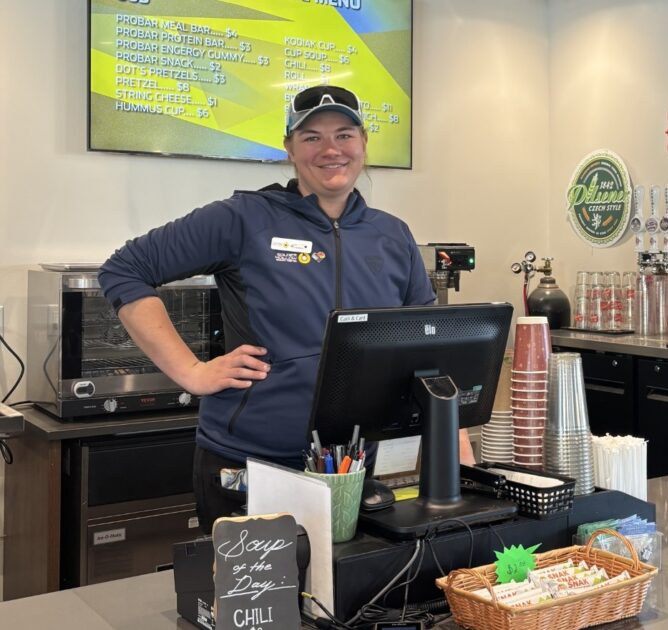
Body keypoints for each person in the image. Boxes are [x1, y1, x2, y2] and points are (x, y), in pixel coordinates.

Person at [99, 85, 471, 533]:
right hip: (254, 465)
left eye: (344, 134)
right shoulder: (243, 218)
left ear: (363, 143)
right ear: (289, 149)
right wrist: (191, 372)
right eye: (312, 137)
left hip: (357, 469)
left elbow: (430, 351)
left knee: (355, 579)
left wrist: (461, 457)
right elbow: (125, 270)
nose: (331, 149)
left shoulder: (392, 235)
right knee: (265, 583)